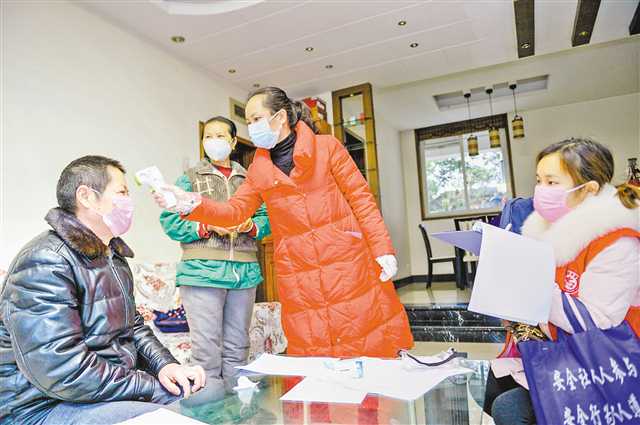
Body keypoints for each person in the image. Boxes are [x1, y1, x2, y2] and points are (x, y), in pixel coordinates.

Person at [153, 86, 413, 358]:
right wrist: (191, 204)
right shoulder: (259, 169)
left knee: (363, 337)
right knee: (314, 345)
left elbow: (361, 199)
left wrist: (382, 248)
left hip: (345, 261)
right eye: (249, 122)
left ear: (280, 117)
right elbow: (235, 212)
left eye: (256, 119)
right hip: (298, 270)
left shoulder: (327, 148)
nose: (252, 127)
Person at [0, 156, 205, 425]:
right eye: (122, 192)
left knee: (200, 397)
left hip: (100, 391)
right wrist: (150, 386)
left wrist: (166, 365)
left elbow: (133, 326)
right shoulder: (46, 260)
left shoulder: (112, 256)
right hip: (42, 405)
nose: (129, 202)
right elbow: (62, 369)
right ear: (86, 197)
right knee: (168, 417)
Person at [484, 138, 640, 425]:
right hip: (568, 351)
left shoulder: (618, 243)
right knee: (494, 384)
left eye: (552, 182)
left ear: (589, 189)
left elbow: (594, 323)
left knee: (509, 408)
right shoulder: (555, 232)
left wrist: (528, 282)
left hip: (610, 364)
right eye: (539, 181)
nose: (541, 190)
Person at [159, 116, 270, 390]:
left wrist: (249, 225)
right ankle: (208, 409)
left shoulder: (250, 180)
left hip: (244, 274)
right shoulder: (189, 178)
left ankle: (238, 407)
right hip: (201, 274)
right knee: (206, 353)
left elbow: (267, 218)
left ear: (233, 142)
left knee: (238, 348)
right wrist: (207, 225)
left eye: (220, 136)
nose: (213, 141)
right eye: (208, 136)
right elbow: (170, 221)